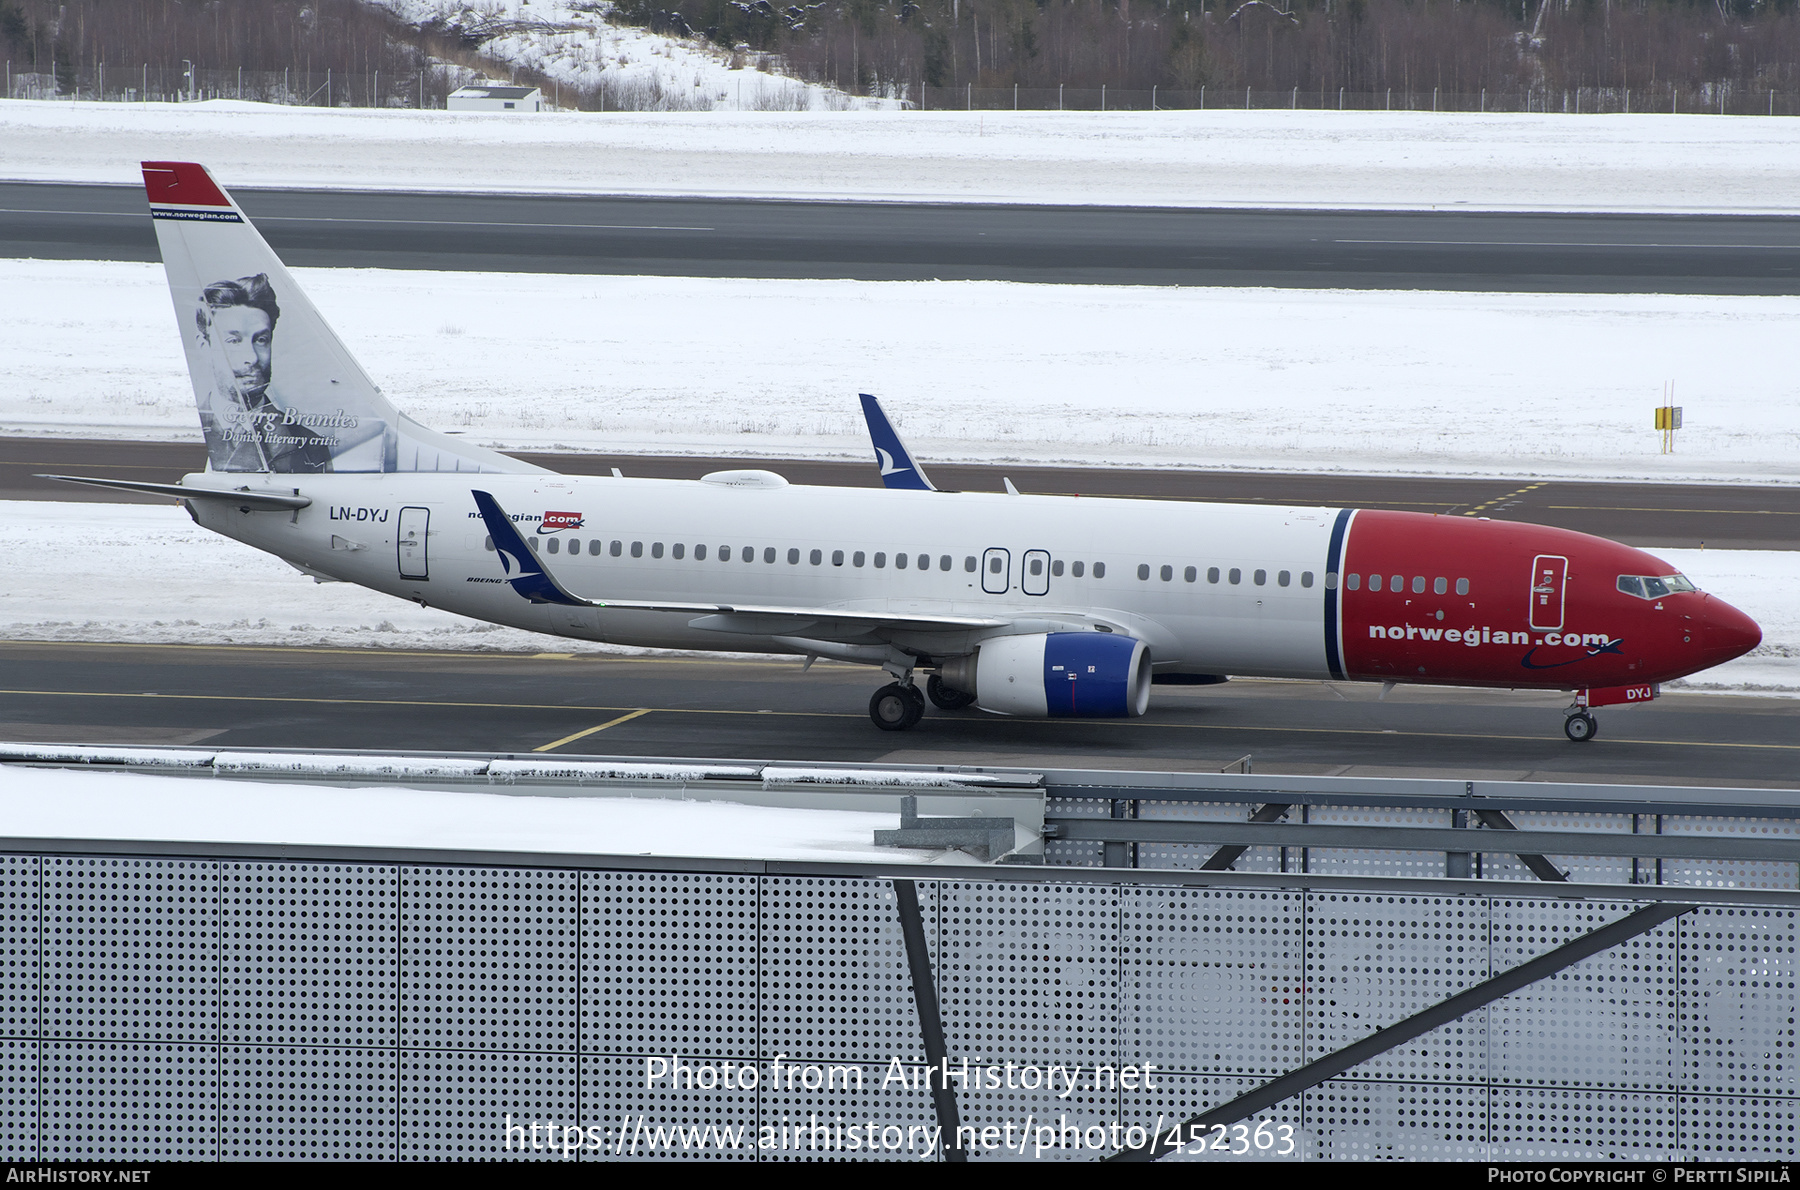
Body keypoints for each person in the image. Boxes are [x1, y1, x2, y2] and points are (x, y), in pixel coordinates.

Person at [193, 274, 336, 473]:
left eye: (261, 340)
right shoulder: (194, 435)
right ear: (204, 346)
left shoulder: (312, 447)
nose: (251, 358)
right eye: (233, 341)